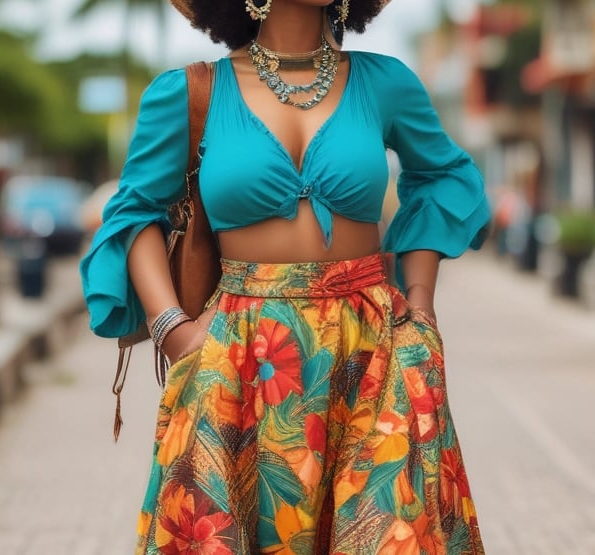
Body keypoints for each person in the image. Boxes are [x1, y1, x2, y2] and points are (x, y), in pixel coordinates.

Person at [80, 0, 490, 552]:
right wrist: (174, 331)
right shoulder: (189, 94)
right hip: (240, 361)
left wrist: (420, 305)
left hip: (375, 354)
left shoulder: (385, 83)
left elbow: (442, 175)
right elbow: (133, 214)